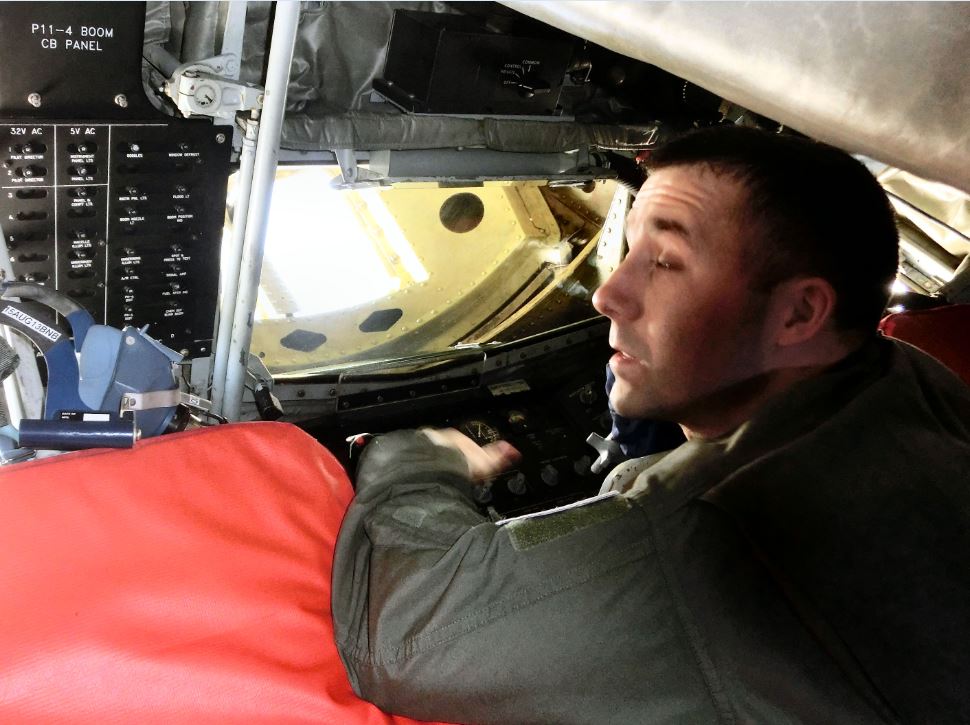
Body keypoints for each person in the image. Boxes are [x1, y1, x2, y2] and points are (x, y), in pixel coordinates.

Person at [332, 126, 970, 724]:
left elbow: (405, 635)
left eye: (665, 262)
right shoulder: (904, 371)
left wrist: (418, 461)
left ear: (800, 313)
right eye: (631, 247)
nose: (609, 295)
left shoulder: (699, 536)